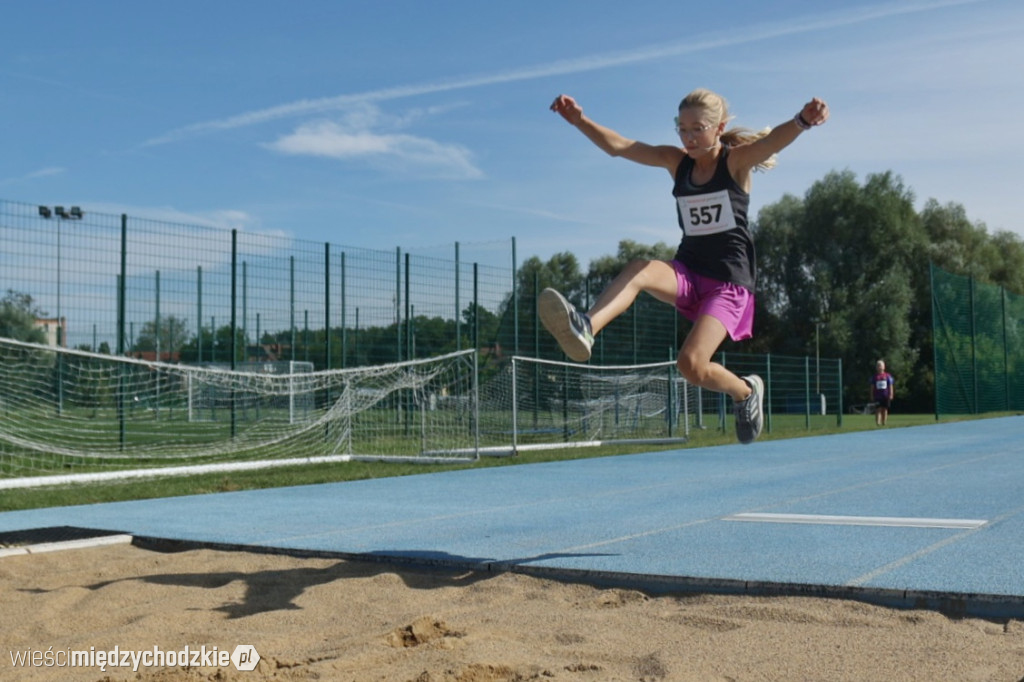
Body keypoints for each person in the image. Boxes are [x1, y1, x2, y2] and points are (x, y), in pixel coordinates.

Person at [540, 89, 829, 444]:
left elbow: (772, 142)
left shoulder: (735, 162)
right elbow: (621, 146)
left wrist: (802, 121)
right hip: (689, 271)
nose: (689, 138)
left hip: (729, 283)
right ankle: (586, 327)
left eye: (698, 129)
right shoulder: (677, 162)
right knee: (640, 267)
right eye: (682, 129)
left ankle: (745, 392)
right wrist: (580, 121)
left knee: (690, 366)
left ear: (719, 127)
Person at [871, 360, 895, 426]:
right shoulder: (875, 377)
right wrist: (872, 395)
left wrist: (891, 394)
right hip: (877, 396)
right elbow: (872, 387)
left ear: (884, 367)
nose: (879, 367)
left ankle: (884, 422)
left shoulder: (887, 376)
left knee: (884, 409)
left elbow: (890, 385)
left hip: (885, 395)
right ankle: (877, 422)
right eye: (878, 366)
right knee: (878, 409)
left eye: (880, 366)